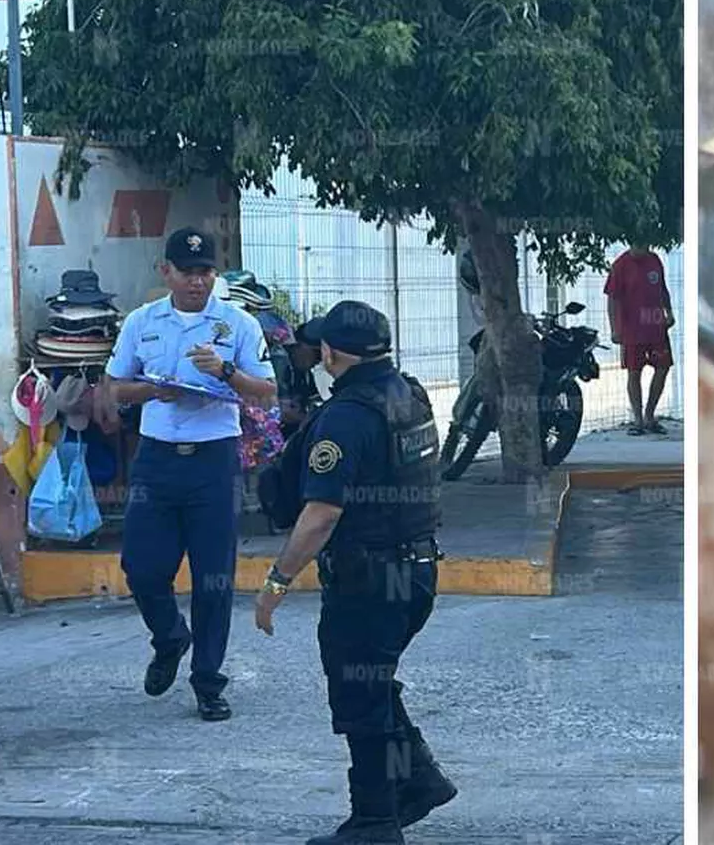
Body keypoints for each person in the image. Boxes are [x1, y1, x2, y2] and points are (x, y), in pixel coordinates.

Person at [255, 300, 456, 844]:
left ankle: (374, 823)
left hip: (369, 580)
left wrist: (276, 582)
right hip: (415, 571)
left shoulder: (347, 416)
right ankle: (418, 781)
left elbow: (321, 513)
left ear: (330, 353)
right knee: (374, 684)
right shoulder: (406, 395)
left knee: (358, 697)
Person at [105, 226, 277, 721]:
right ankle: (169, 638)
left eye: (205, 272)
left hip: (214, 459)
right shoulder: (142, 322)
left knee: (213, 579)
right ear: (167, 272)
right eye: (187, 272)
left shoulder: (238, 324)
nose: (197, 282)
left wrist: (224, 372)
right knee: (141, 566)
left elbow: (265, 391)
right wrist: (154, 392)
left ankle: (208, 681)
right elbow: (116, 387)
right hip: (157, 458)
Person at [604, 242, 675, 434]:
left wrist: (669, 312)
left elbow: (662, 289)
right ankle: (637, 420)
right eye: (638, 244)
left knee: (663, 367)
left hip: (656, 326)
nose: (642, 249)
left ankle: (649, 415)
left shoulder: (654, 260)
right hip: (631, 329)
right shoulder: (620, 265)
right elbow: (611, 300)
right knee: (634, 372)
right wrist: (614, 329)